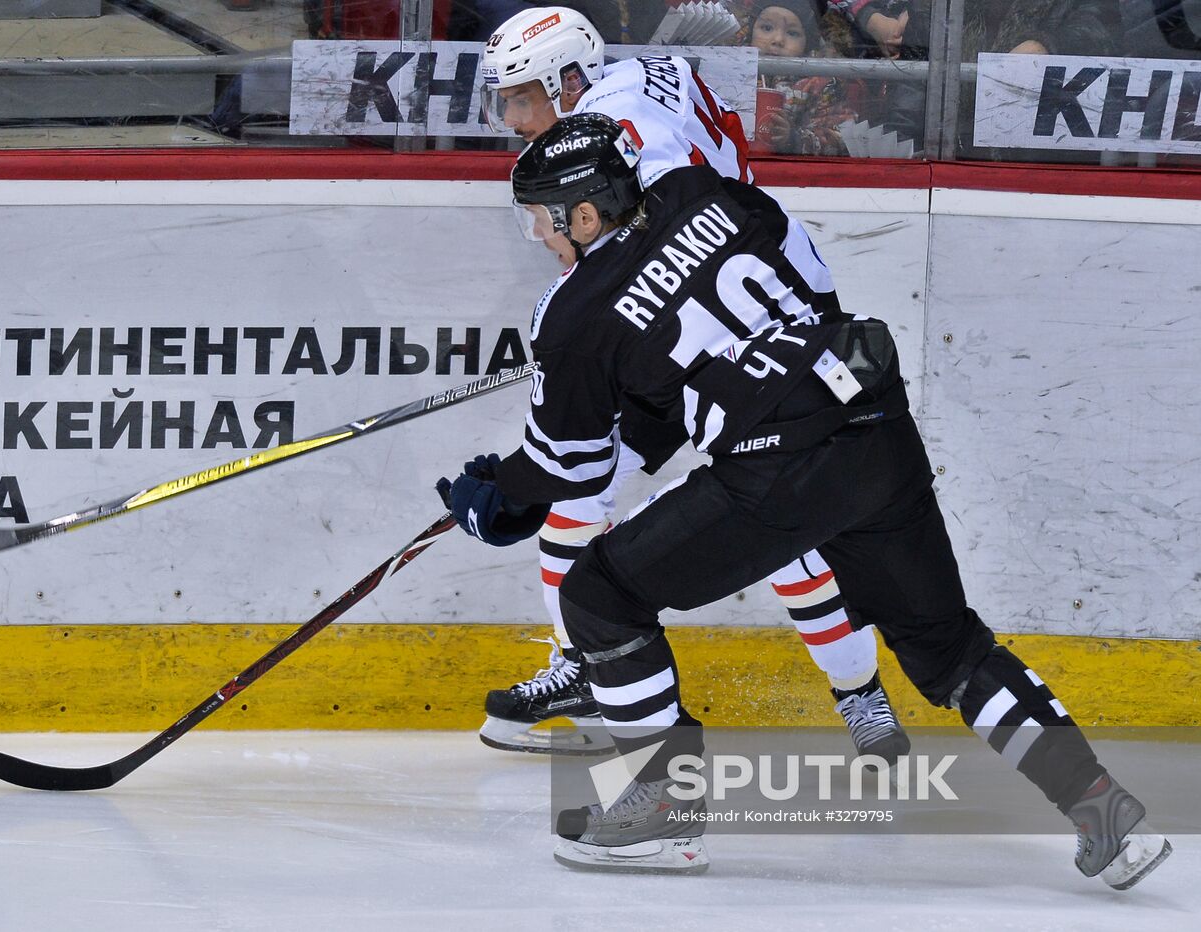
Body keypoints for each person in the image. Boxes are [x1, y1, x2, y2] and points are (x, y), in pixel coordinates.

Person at [437, 112, 1173, 884]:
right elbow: (809, 290)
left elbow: (574, 470)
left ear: (583, 214)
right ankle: (1105, 811)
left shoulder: (573, 312)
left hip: (778, 469)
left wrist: (498, 499)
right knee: (952, 651)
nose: (544, 240)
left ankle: (664, 812)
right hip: (873, 421)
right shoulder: (703, 192)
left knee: (598, 594)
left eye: (541, 222)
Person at [474, 4, 910, 763]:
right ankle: (584, 665)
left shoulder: (621, 136)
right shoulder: (643, 75)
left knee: (783, 529)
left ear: (569, 80)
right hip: (683, 328)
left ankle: (859, 694)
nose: (510, 116)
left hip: (735, 344)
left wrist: (587, 336)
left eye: (520, 95)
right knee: (576, 501)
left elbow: (667, 243)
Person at [744, 0, 862, 156]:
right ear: (751, 31)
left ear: (807, 43)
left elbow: (840, 138)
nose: (777, 40)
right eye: (767, 28)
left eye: (792, 33)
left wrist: (792, 139)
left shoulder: (821, 83)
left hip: (790, 172)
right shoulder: (735, 74)